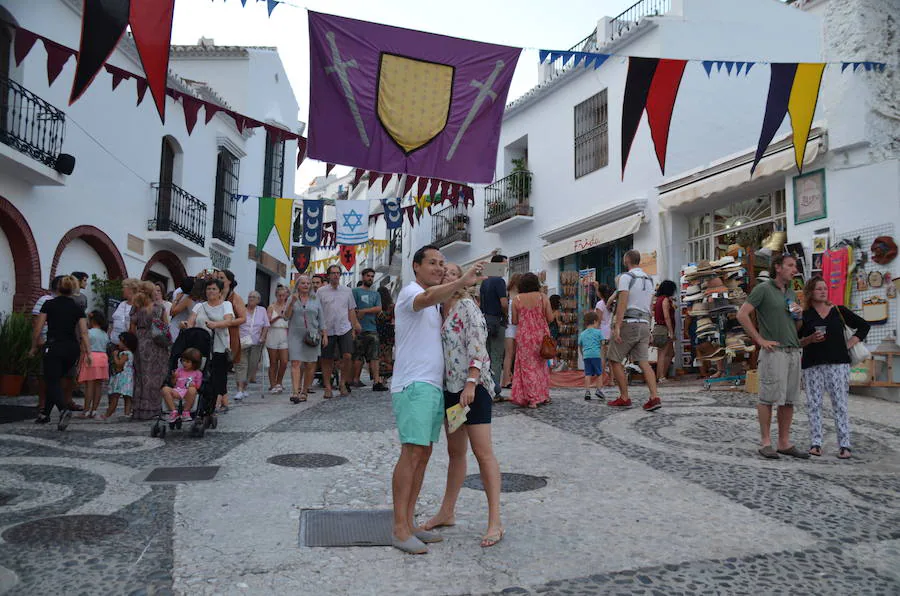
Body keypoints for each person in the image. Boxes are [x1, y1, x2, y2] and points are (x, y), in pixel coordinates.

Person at [390, 246, 484, 554]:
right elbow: (429, 298)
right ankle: (399, 528)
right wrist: (461, 281)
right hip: (413, 385)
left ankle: (410, 522)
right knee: (412, 454)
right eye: (432, 263)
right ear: (416, 266)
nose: (439, 268)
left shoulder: (436, 304)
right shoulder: (411, 293)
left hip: (432, 387)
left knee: (423, 456)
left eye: (442, 263)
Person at [422, 263, 503, 548]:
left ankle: (495, 521)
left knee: (483, 453)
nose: (446, 275)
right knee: (455, 452)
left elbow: (478, 345)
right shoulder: (436, 309)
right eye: (443, 273)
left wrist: (471, 382)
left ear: (463, 280)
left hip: (473, 389)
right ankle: (447, 511)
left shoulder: (468, 307)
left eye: (453, 273)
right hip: (449, 391)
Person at [736, 254, 809, 460]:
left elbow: (795, 327)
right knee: (767, 397)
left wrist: (799, 316)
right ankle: (766, 442)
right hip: (773, 351)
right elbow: (742, 314)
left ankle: (784, 442)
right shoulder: (763, 289)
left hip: (793, 350)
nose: (794, 270)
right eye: (790, 265)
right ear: (778, 267)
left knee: (788, 399)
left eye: (795, 266)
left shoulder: (791, 293)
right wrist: (759, 339)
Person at [798, 276, 870, 459]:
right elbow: (796, 341)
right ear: (810, 292)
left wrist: (850, 343)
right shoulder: (805, 316)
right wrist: (810, 339)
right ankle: (816, 443)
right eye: (818, 288)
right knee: (814, 404)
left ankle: (844, 445)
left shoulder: (839, 311)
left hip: (838, 364)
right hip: (812, 365)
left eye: (825, 288)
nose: (823, 291)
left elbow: (863, 326)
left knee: (840, 404)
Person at [29, 275, 91, 430]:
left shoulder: (49, 304)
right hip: (72, 349)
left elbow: (38, 328)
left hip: (54, 346)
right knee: (56, 379)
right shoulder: (78, 308)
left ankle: (63, 410)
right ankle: (45, 414)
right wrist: (88, 352)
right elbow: (84, 332)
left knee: (51, 380)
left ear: (58, 288)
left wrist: (34, 346)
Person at [607, 250, 661, 411]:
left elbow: (622, 302)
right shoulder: (650, 279)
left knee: (614, 359)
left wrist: (617, 325)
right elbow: (650, 305)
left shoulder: (626, 277)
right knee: (643, 362)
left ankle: (624, 397)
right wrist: (650, 327)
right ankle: (654, 396)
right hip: (644, 323)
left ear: (626, 260)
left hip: (629, 322)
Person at [183, 278, 234, 413]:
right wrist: (186, 325)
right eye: (208, 289)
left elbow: (228, 321)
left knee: (218, 374)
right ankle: (199, 400)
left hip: (219, 344)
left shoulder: (226, 305)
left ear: (219, 292)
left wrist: (216, 325)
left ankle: (218, 402)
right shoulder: (199, 306)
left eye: (214, 289)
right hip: (201, 344)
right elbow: (192, 320)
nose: (210, 291)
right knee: (201, 373)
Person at [509, 273, 553, 409]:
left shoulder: (516, 299)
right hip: (541, 336)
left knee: (527, 367)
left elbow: (514, 321)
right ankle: (543, 395)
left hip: (524, 337)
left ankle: (532, 398)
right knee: (541, 366)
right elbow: (550, 318)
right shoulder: (543, 297)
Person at [317, 264, 362, 398]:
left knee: (348, 355)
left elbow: (351, 310)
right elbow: (318, 311)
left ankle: (343, 383)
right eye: (333, 273)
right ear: (328, 275)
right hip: (327, 329)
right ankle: (328, 387)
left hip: (344, 327)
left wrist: (354, 327)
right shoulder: (321, 291)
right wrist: (320, 329)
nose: (336, 275)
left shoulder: (347, 291)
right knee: (327, 359)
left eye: (338, 273)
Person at [130, 281, 170, 420]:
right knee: (156, 376)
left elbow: (131, 328)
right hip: (156, 344)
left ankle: (139, 408)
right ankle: (154, 408)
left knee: (140, 376)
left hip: (140, 343)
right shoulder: (158, 307)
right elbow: (166, 327)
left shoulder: (136, 308)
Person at [286, 275, 327, 403]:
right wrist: (292, 303)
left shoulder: (315, 299)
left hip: (312, 334)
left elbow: (321, 318)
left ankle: (304, 391)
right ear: (297, 285)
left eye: (308, 283)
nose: (305, 285)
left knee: (310, 364)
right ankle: (295, 392)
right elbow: (286, 317)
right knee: (295, 363)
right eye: (303, 283)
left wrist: (324, 334)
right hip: (295, 334)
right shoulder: (291, 299)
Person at [351, 268, 388, 391]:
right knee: (357, 355)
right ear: (362, 277)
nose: (370, 278)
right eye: (368, 276)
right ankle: (355, 379)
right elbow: (351, 308)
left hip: (372, 328)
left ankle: (376, 381)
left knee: (374, 356)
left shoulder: (375, 294)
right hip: (358, 327)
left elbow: (378, 308)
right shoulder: (355, 291)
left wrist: (363, 311)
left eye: (372, 276)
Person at [479, 254, 508, 400]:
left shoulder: (485, 282)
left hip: (485, 321)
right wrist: (507, 314)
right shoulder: (499, 281)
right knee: (496, 356)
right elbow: (503, 303)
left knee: (487, 356)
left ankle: (486, 387)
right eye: (504, 265)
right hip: (497, 321)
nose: (506, 268)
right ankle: (495, 390)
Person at [234, 290, 270, 400]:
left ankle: (244, 388)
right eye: (250, 297)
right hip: (242, 342)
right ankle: (239, 390)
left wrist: (263, 337)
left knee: (252, 366)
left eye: (254, 297)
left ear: (258, 300)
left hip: (256, 342)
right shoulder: (242, 309)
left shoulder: (262, 310)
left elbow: (266, 325)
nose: (251, 299)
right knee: (241, 365)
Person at [77, 310, 110, 418]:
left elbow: (83, 350)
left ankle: (86, 410)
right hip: (103, 358)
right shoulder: (105, 334)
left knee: (89, 386)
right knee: (98, 386)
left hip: (91, 358)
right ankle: (94, 410)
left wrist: (79, 364)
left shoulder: (88, 333)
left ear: (92, 320)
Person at [101, 332, 137, 420]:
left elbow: (119, 364)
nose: (118, 343)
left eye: (120, 342)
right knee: (127, 397)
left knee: (115, 396)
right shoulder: (131, 353)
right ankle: (127, 414)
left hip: (122, 378)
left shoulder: (125, 353)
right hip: (128, 378)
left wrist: (115, 356)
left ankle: (107, 414)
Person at [162, 347, 203, 423]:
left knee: (192, 390)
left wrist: (193, 385)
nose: (184, 363)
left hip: (188, 393)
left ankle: (186, 411)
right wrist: (174, 377)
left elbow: (198, 386)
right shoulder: (179, 371)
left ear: (194, 363)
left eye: (187, 362)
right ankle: (174, 411)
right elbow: (173, 384)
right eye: (183, 361)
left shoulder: (197, 373)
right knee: (165, 389)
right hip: (178, 391)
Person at [266, 284, 291, 394]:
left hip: (284, 333)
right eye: (279, 295)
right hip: (273, 332)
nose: (281, 297)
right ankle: (272, 384)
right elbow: (267, 322)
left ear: (286, 296)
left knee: (284, 361)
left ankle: (279, 382)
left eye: (283, 295)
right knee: (273, 361)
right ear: (276, 295)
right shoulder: (271, 307)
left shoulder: (288, 307)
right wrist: (278, 316)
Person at [652, 280, 678, 383]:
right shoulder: (665, 300)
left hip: (658, 328)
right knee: (663, 353)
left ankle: (660, 375)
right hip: (664, 328)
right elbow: (667, 316)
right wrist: (671, 332)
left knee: (670, 353)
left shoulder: (659, 299)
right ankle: (661, 377)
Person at [500, 273, 521, 390]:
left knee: (508, 355)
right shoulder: (519, 295)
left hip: (508, 327)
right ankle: (512, 379)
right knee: (515, 354)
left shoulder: (508, 293)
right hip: (516, 326)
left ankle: (505, 380)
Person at [578, 311, 605, 401]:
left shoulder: (582, 334)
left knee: (588, 374)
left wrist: (583, 354)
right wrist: (602, 355)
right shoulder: (598, 332)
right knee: (599, 374)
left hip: (586, 356)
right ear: (594, 322)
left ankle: (587, 392)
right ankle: (599, 390)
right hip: (596, 355)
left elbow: (580, 346)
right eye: (597, 323)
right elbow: (602, 344)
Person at [594, 283, 614, 386]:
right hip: (612, 332)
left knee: (602, 357)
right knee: (611, 358)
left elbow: (598, 320)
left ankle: (600, 380)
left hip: (602, 333)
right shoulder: (612, 302)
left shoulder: (600, 304)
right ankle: (612, 380)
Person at [376, 286, 396, 379]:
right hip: (389, 331)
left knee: (379, 355)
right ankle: (385, 378)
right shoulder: (391, 306)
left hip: (378, 330)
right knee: (388, 354)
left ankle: (378, 378)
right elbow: (394, 319)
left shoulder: (377, 306)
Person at [169, 277, 195, 343]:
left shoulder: (179, 293)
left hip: (181, 326)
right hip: (177, 328)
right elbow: (172, 312)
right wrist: (176, 300)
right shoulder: (186, 297)